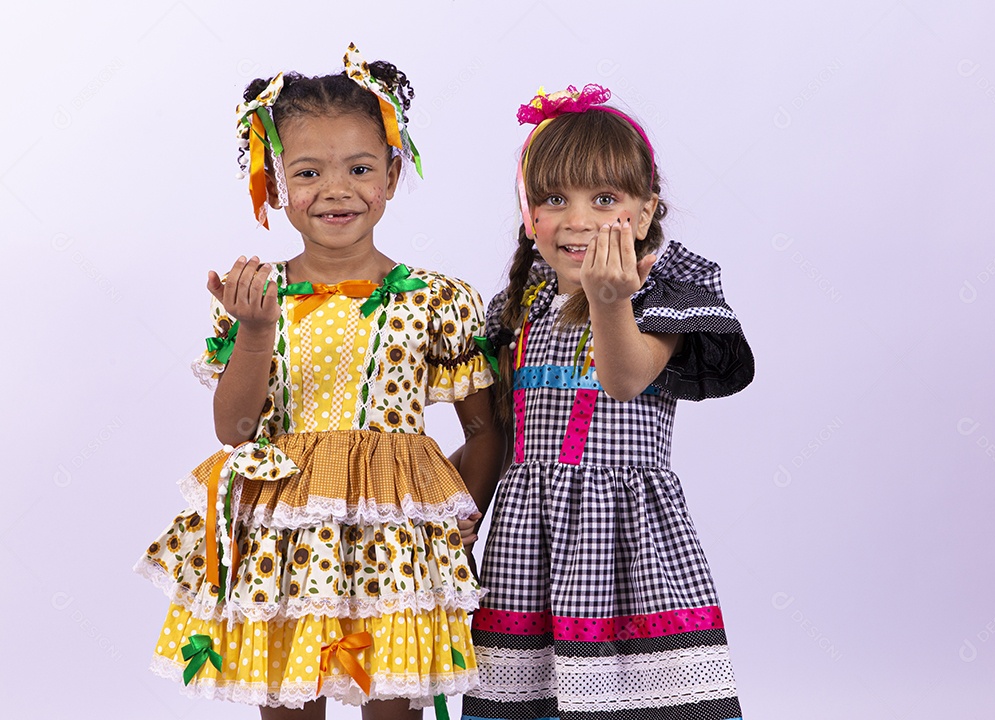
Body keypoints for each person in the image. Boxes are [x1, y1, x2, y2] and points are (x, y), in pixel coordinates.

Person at [133, 43, 503, 720]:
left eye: (360, 168)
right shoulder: (254, 294)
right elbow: (234, 431)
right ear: (274, 185)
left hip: (394, 548)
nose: (336, 190)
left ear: (393, 175)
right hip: (283, 545)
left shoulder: (438, 299)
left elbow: (484, 430)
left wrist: (454, 528)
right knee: (288, 701)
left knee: (391, 706)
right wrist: (255, 330)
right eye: (308, 172)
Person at [460, 85, 755, 720]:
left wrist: (609, 299)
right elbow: (499, 432)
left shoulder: (658, 295)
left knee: (632, 697)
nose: (577, 220)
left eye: (604, 199)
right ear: (529, 215)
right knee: (527, 693)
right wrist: (458, 514)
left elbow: (626, 380)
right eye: (553, 199)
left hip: (626, 542)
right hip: (527, 543)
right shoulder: (519, 307)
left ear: (645, 214)